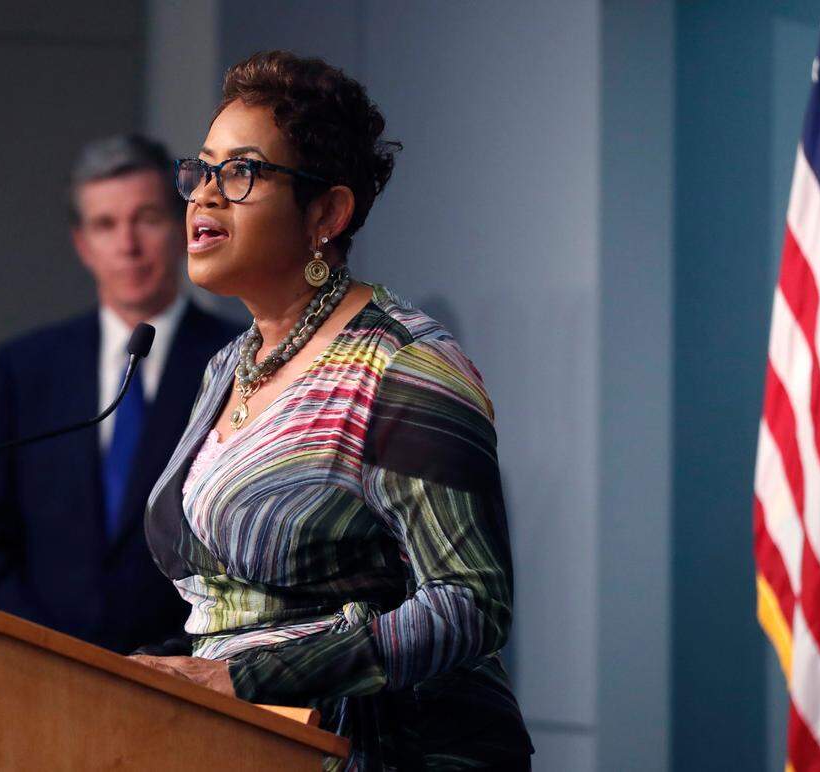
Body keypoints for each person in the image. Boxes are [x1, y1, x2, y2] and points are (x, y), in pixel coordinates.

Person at [130, 52, 534, 770]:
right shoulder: (230, 364)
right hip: (251, 746)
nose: (204, 196)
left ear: (326, 212)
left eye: (242, 172)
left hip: (390, 750)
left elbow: (471, 604)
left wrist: (241, 676)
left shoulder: (405, 368)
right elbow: (236, 606)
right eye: (201, 169)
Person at [0, 134, 241, 654]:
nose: (128, 245)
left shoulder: (239, 358)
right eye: (106, 225)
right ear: (83, 244)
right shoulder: (26, 367)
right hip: (41, 671)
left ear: (180, 228)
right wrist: (38, 648)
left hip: (191, 680)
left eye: (147, 219)